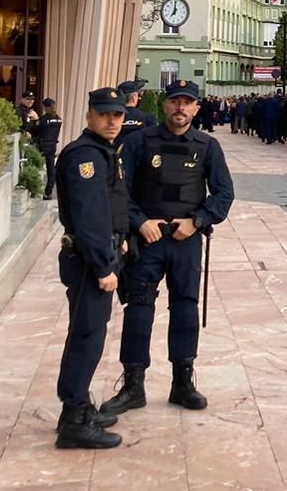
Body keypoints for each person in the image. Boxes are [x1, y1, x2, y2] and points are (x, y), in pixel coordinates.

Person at [99, 80, 233, 417]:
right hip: (148, 240)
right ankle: (133, 385)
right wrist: (139, 222)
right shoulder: (138, 142)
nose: (180, 108)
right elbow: (118, 191)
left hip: (185, 239)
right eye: (175, 102)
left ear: (196, 109)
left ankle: (182, 382)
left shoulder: (207, 146)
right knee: (139, 309)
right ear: (165, 105)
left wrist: (198, 221)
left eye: (188, 103)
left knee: (186, 308)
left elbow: (223, 194)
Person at [52, 87, 129, 450]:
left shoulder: (103, 152)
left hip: (101, 254)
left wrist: (122, 236)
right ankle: (74, 417)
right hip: (88, 262)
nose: (112, 121)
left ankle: (79, 407)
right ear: (89, 116)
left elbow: (111, 205)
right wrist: (103, 267)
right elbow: (89, 218)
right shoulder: (85, 156)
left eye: (117, 115)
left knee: (91, 333)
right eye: (104, 115)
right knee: (86, 336)